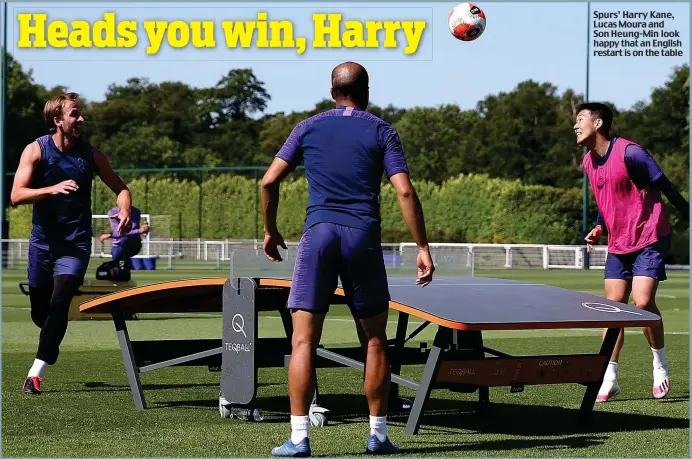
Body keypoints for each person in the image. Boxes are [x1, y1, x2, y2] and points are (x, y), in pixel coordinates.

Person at [261, 62, 434, 457]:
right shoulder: (382, 131)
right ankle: (378, 436)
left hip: (318, 235)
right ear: (367, 90)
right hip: (363, 238)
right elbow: (405, 192)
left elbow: (269, 181)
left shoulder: (307, 127)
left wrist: (270, 230)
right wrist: (422, 247)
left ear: (332, 90)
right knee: (375, 340)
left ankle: (299, 439)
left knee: (303, 340)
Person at [10, 92, 133, 396]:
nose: (81, 119)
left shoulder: (91, 155)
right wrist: (52, 189)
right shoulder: (36, 150)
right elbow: (16, 195)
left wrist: (126, 208)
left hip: (75, 245)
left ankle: (35, 373)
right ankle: (51, 339)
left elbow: (120, 188)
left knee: (60, 301)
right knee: (42, 314)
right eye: (75, 114)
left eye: (81, 114)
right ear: (57, 120)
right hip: (42, 244)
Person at [575, 102, 689, 403]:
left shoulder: (631, 153)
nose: (575, 125)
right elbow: (605, 200)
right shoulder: (588, 161)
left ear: (598, 124)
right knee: (612, 308)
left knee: (642, 301)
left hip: (650, 236)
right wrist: (600, 227)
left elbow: (667, 187)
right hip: (618, 243)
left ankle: (660, 365)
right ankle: (610, 378)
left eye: (581, 119)